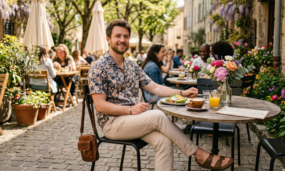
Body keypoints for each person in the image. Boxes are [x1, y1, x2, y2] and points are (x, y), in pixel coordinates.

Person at [88, 19, 233, 171]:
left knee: (164, 141)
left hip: (133, 120)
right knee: (157, 115)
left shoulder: (131, 65)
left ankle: (197, 154)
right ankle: (199, 154)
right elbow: (100, 105)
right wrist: (130, 110)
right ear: (108, 39)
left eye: (125, 36)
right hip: (112, 124)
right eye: (118, 36)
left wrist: (182, 92)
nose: (122, 40)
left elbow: (156, 88)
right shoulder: (99, 67)